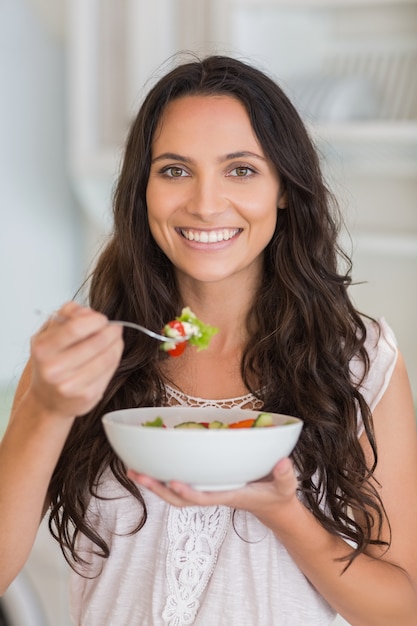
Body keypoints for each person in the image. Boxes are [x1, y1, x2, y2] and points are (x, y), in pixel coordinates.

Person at [1, 54, 416, 626]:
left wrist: (286, 515)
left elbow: (401, 610)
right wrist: (44, 409)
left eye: (241, 170)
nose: (204, 202)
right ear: (141, 190)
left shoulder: (360, 361)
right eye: (174, 170)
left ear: (284, 189)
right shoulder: (85, 355)